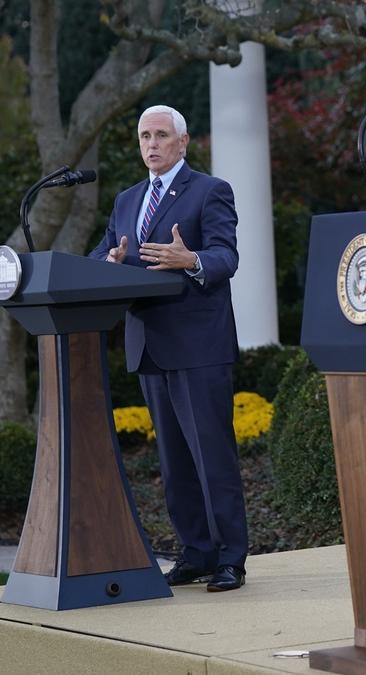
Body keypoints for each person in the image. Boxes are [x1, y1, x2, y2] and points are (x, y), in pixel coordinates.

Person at [89, 105, 249, 593]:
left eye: (161, 135)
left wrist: (191, 258)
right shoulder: (126, 200)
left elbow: (227, 256)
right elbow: (102, 254)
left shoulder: (209, 190)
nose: (151, 144)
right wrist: (110, 261)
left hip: (198, 345)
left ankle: (230, 559)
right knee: (174, 464)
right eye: (144, 137)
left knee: (211, 458)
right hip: (149, 347)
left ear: (182, 142)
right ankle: (196, 552)